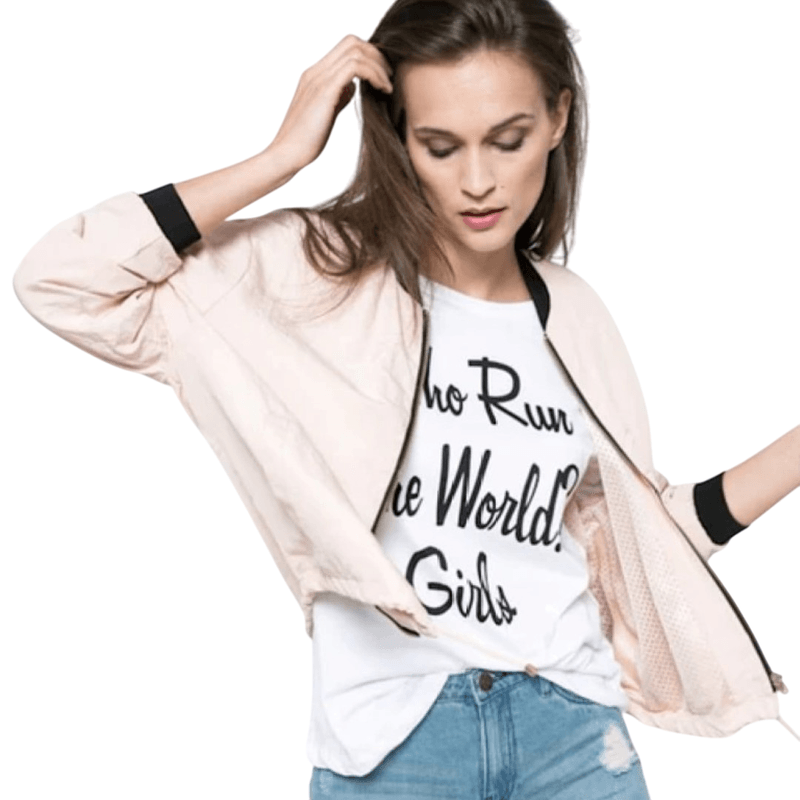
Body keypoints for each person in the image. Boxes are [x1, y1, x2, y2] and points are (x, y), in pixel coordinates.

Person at [10, 0, 800, 797]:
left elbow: (633, 545)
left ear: (558, 119)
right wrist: (281, 157)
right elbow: (62, 282)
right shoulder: (312, 274)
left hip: (574, 739)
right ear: (398, 138)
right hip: (396, 745)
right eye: (440, 146)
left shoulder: (575, 314)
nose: (478, 181)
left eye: (508, 139)